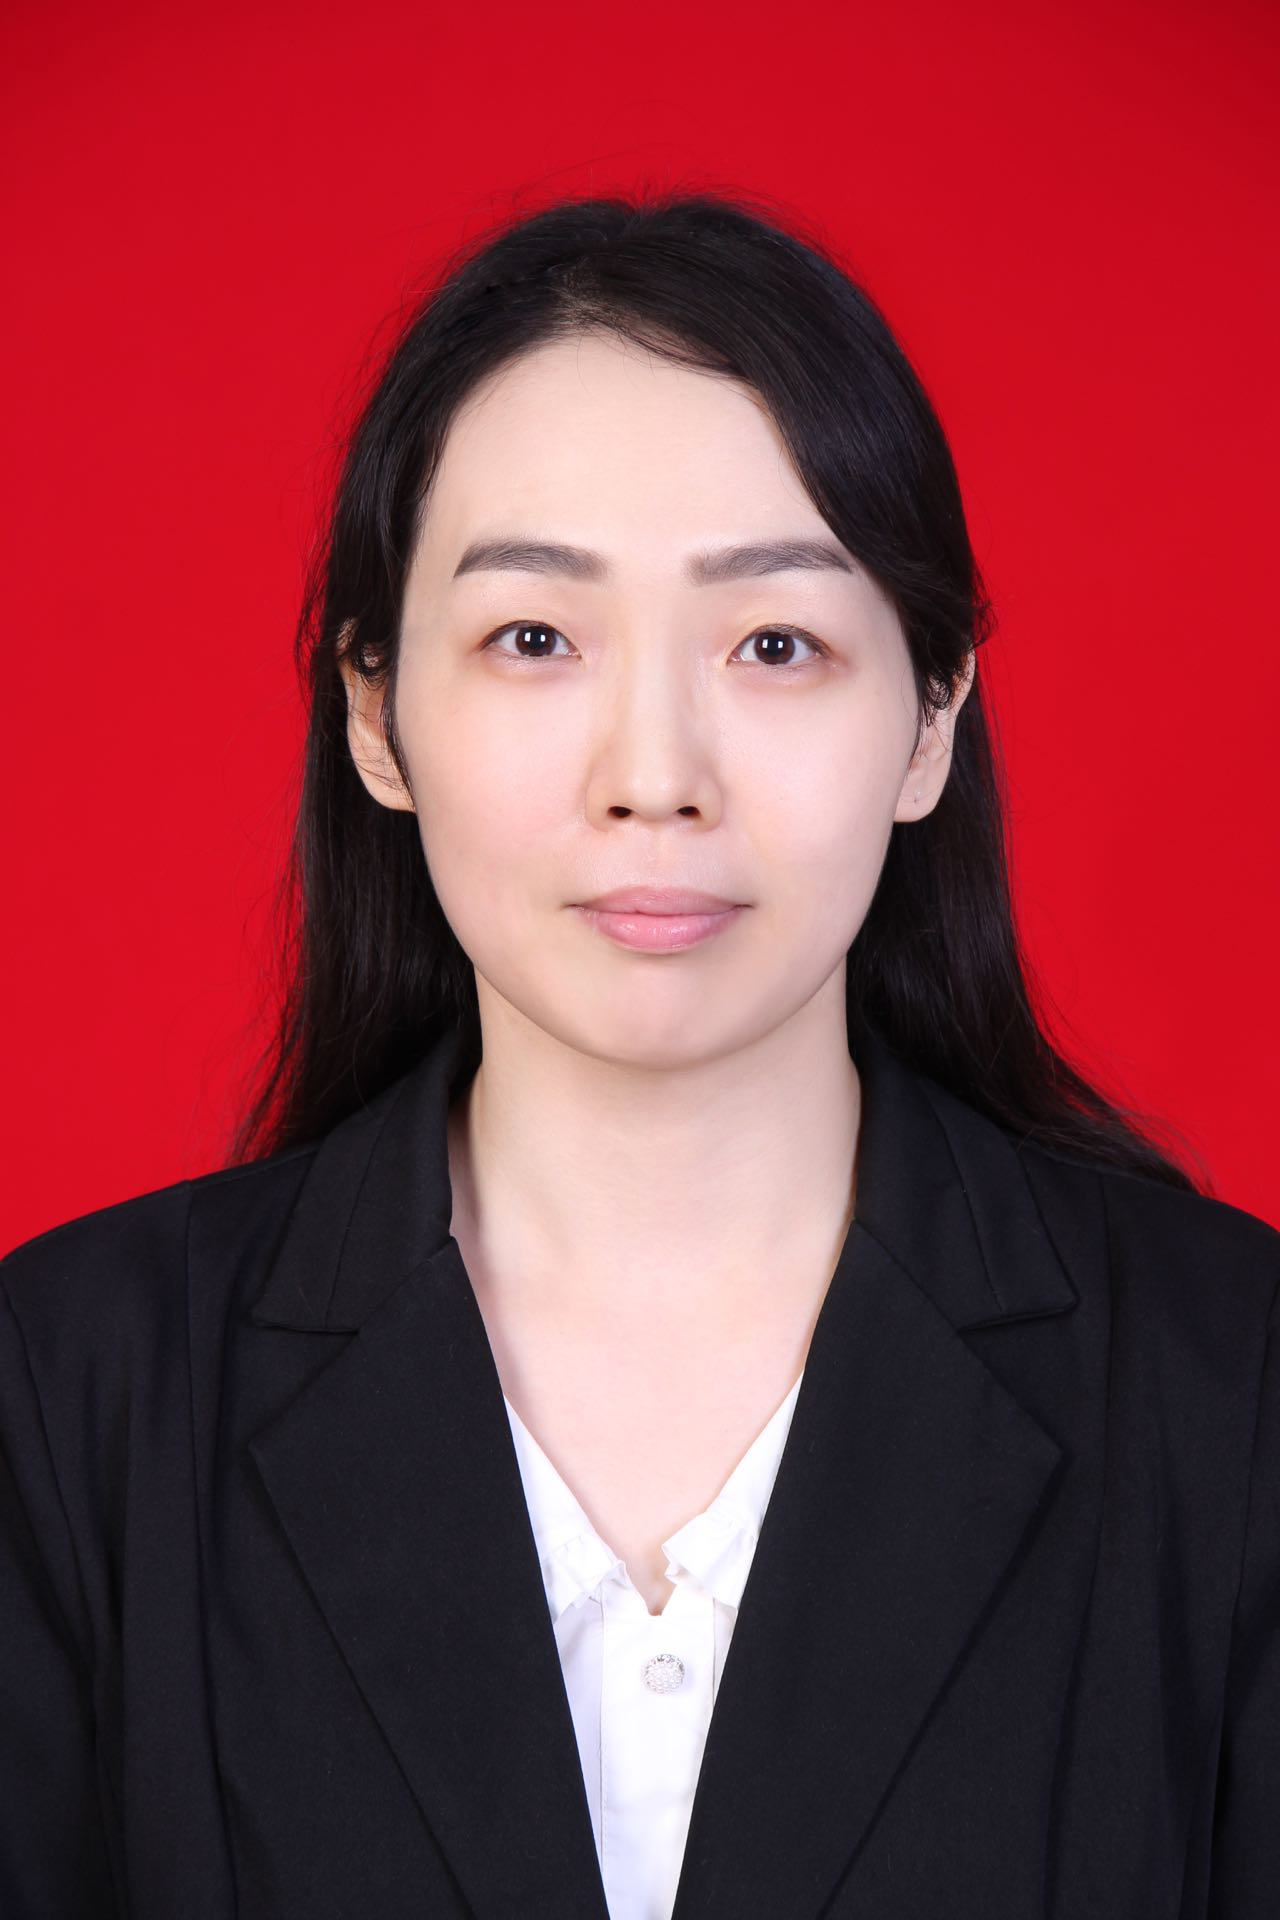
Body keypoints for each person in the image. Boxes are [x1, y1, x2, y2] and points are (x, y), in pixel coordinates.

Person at [1, 189, 1276, 1920]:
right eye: (534, 639)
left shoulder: (1233, 1395)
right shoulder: (71, 1400)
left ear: (930, 719)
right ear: (375, 713)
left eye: (776, 644)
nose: (653, 775)